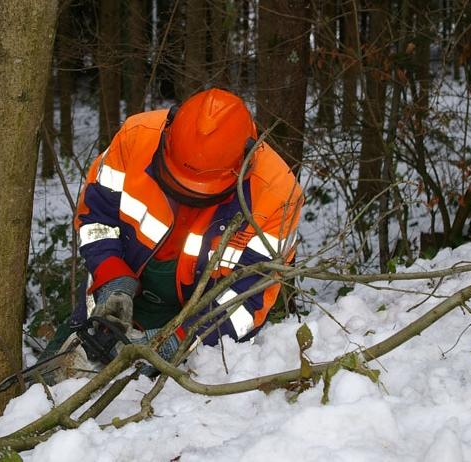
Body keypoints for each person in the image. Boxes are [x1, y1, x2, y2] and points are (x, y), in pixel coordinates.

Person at [64, 88, 302, 371]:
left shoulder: (277, 196)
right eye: (177, 184)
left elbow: (248, 298)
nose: (184, 197)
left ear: (244, 164)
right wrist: (111, 278)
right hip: (113, 292)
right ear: (168, 134)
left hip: (202, 322)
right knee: (54, 386)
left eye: (197, 193)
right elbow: (96, 218)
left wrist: (184, 339)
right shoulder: (136, 138)